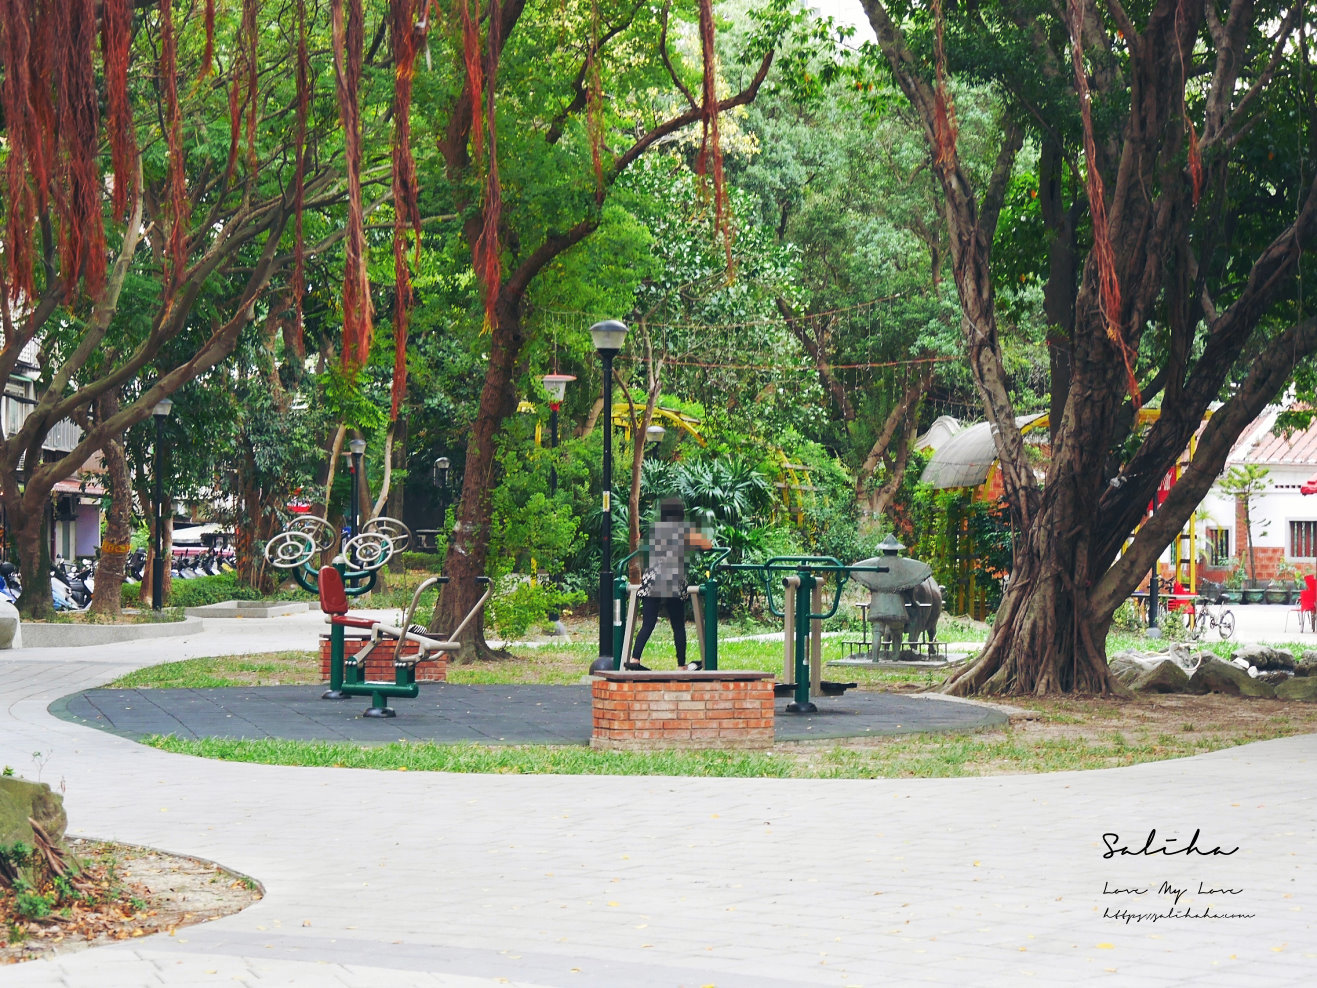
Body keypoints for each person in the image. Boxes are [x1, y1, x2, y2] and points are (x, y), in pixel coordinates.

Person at [626, 497, 712, 670]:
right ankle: (681, 665)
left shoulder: (655, 530)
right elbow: (707, 545)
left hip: (651, 580)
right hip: (673, 580)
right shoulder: (684, 531)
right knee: (678, 625)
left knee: (648, 623)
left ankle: (635, 659)